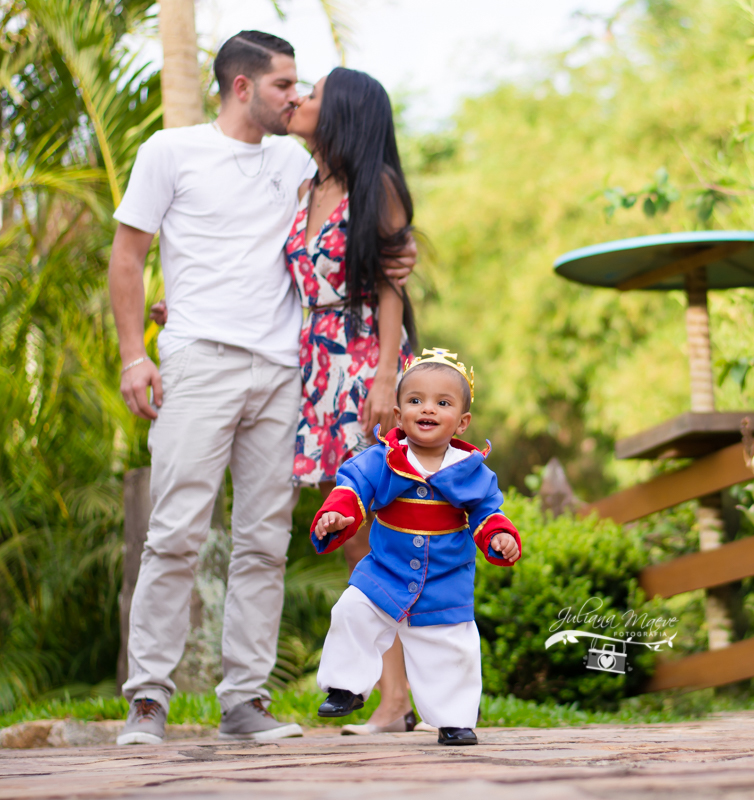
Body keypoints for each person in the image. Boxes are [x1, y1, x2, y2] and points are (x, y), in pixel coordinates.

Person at [108, 31, 417, 745]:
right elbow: (129, 256)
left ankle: (244, 700)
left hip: (289, 372)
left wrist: (401, 254)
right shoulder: (170, 152)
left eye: (303, 88)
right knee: (175, 532)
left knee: (263, 542)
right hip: (199, 361)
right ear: (243, 87)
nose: (298, 97)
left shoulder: (300, 163)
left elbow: (370, 234)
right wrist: (136, 351)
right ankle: (148, 701)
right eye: (286, 85)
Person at [283, 67, 425, 734]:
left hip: (364, 357)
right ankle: (391, 694)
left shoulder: (379, 187)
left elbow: (392, 285)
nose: (301, 101)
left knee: (380, 532)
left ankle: (399, 699)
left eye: (311, 95)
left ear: (340, 112)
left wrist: (386, 378)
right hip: (314, 365)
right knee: (352, 535)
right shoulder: (304, 184)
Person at [309, 349, 522, 746]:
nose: (427, 409)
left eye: (442, 403)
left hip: (445, 579)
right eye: (415, 400)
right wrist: (337, 515)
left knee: (451, 647)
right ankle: (346, 687)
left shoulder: (472, 470)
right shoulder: (384, 459)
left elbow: (488, 512)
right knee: (352, 610)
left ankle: (454, 720)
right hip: (385, 571)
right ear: (398, 412)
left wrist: (499, 536)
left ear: (462, 421)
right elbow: (352, 487)